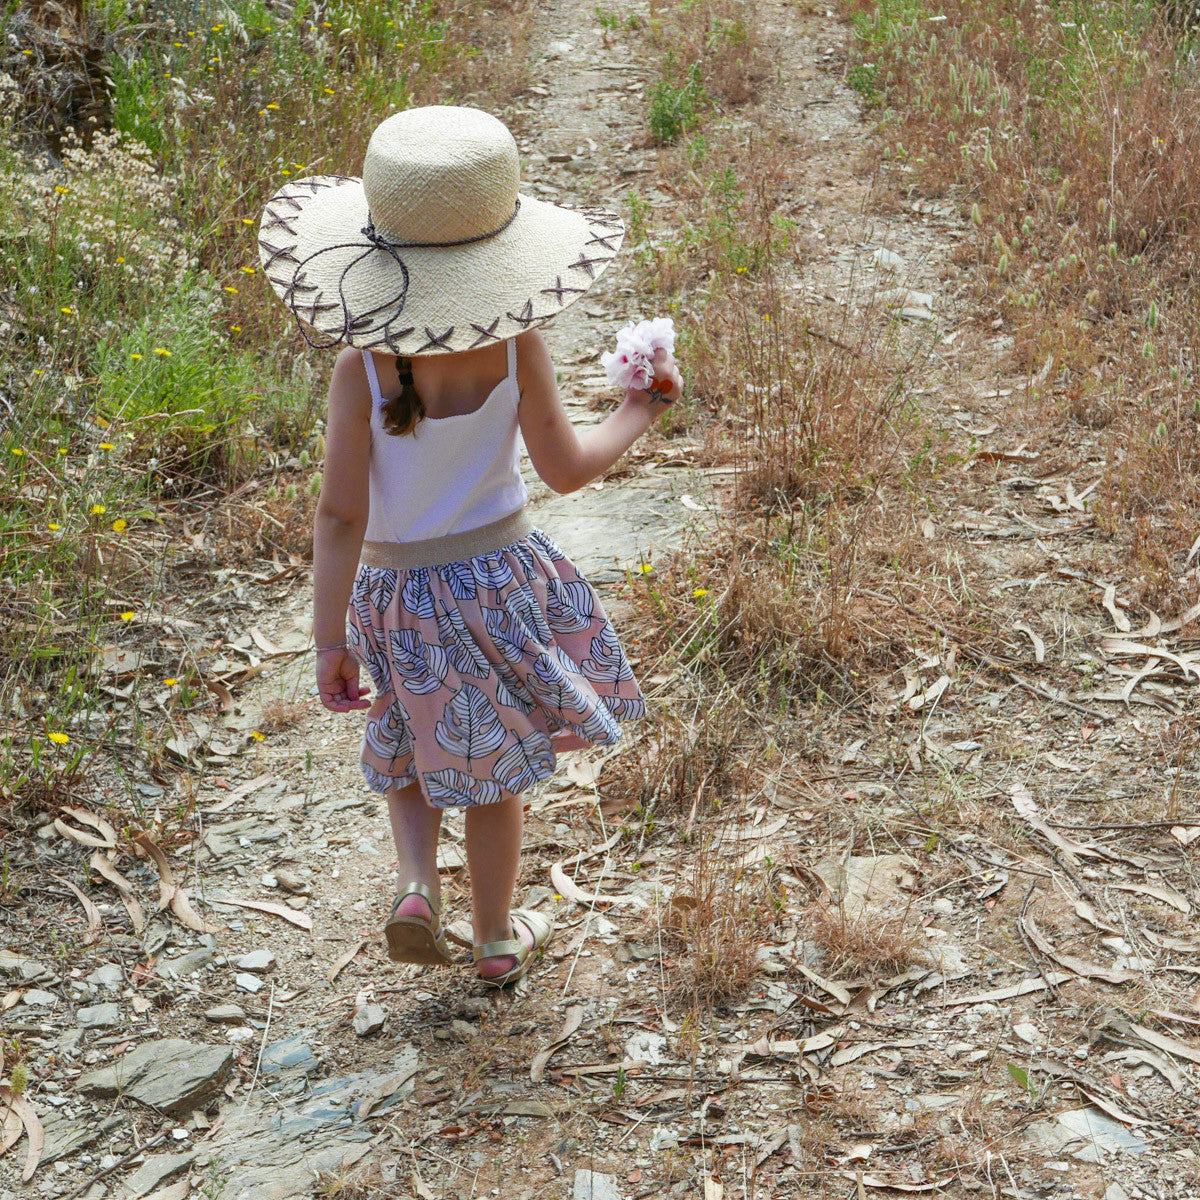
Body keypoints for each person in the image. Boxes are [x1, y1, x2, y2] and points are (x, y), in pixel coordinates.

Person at [257, 105, 683, 988]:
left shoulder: (361, 370)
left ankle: (417, 887)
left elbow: (339, 516)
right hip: (498, 585)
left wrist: (329, 638)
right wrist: (637, 410)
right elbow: (565, 469)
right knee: (494, 772)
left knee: (410, 737)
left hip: (395, 594)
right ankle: (494, 940)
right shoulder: (516, 346)